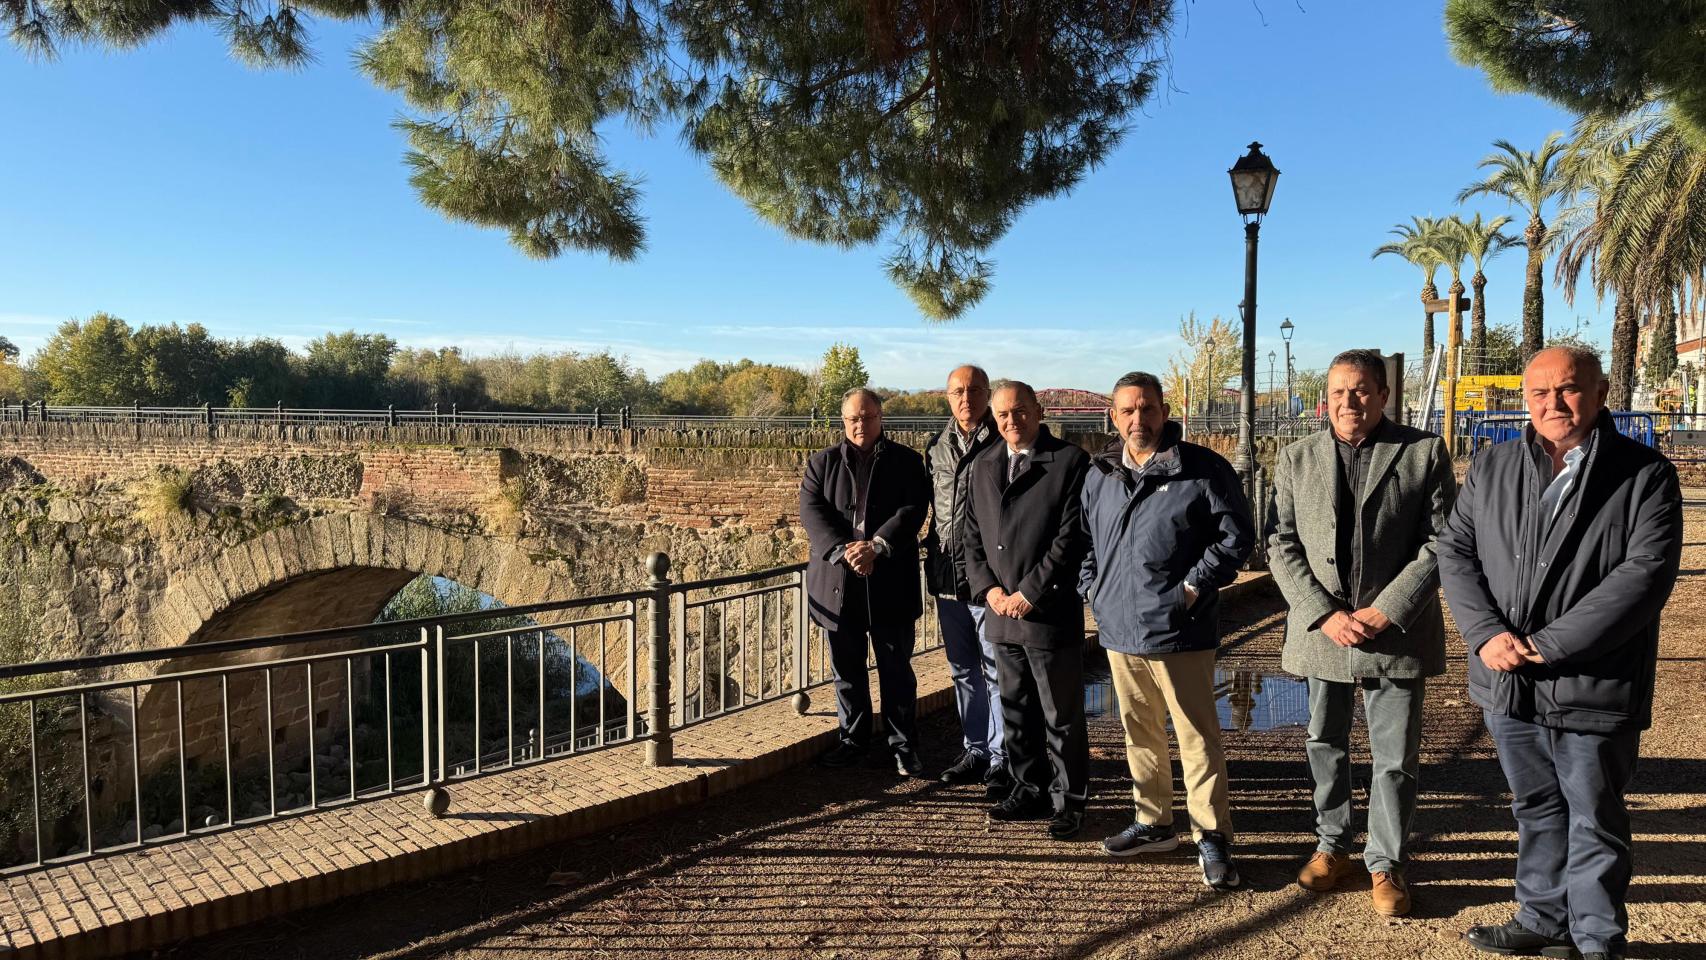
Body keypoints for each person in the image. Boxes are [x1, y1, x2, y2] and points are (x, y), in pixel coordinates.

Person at [1440, 346, 1682, 960]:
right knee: (1535, 806)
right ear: (1525, 399)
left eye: (1568, 389)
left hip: (1593, 678)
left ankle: (1597, 940)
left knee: (1594, 814)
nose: (1554, 404)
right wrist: (1486, 635)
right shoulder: (1492, 465)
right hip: (1507, 677)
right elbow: (1456, 551)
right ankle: (1542, 919)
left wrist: (1546, 646)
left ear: (1600, 393)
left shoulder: (1644, 474)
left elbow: (1643, 576)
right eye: (1539, 392)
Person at [1268, 348, 1457, 917]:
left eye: (1360, 390)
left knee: (1394, 756)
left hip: (1394, 632)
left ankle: (1386, 862)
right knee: (1324, 742)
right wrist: (1322, 612)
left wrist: (1388, 608)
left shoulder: (1423, 452)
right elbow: (1280, 542)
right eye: (1337, 391)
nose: (1348, 401)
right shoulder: (1297, 457)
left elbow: (1443, 539)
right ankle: (1332, 845)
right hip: (1323, 631)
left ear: (1383, 395)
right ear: (1324, 399)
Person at [1080, 371, 1253, 889]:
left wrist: (1192, 588)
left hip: (1180, 627)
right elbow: (1085, 541)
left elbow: (1236, 537)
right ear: (1113, 416)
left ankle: (1211, 835)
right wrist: (1093, 589)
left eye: (1148, 408)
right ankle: (1154, 821)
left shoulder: (1201, 469)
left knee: (1196, 736)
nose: (1139, 419)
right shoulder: (1100, 474)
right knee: (1139, 731)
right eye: (1128, 410)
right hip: (1119, 627)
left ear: (1164, 411)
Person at [962, 381, 1092, 839]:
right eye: (1002, 414)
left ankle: (1069, 800)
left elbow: (1071, 538)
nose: (1011, 421)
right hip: (1001, 611)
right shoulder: (984, 464)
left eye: (1019, 411)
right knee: (1015, 708)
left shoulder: (1069, 462)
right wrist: (989, 591)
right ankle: (1028, 786)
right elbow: (971, 537)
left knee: (1060, 714)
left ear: (1038, 410)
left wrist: (1030, 593)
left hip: (1047, 610)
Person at [800, 387, 933, 775]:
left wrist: (876, 546)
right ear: (844, 421)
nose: (861, 424)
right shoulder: (821, 463)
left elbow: (913, 509)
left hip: (889, 578)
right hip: (839, 583)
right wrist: (846, 551)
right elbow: (812, 513)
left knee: (896, 670)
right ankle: (853, 740)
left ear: (880, 418)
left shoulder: (907, 461)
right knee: (847, 671)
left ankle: (903, 745)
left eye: (868, 417)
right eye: (853, 418)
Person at [922, 364, 1011, 796]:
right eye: (958, 391)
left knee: (996, 669)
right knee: (962, 670)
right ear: (947, 397)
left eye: (975, 390)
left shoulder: (1003, 441)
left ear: (987, 394)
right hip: (946, 576)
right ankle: (974, 749)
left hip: (988, 578)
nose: (966, 398)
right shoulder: (936, 447)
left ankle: (1001, 756)